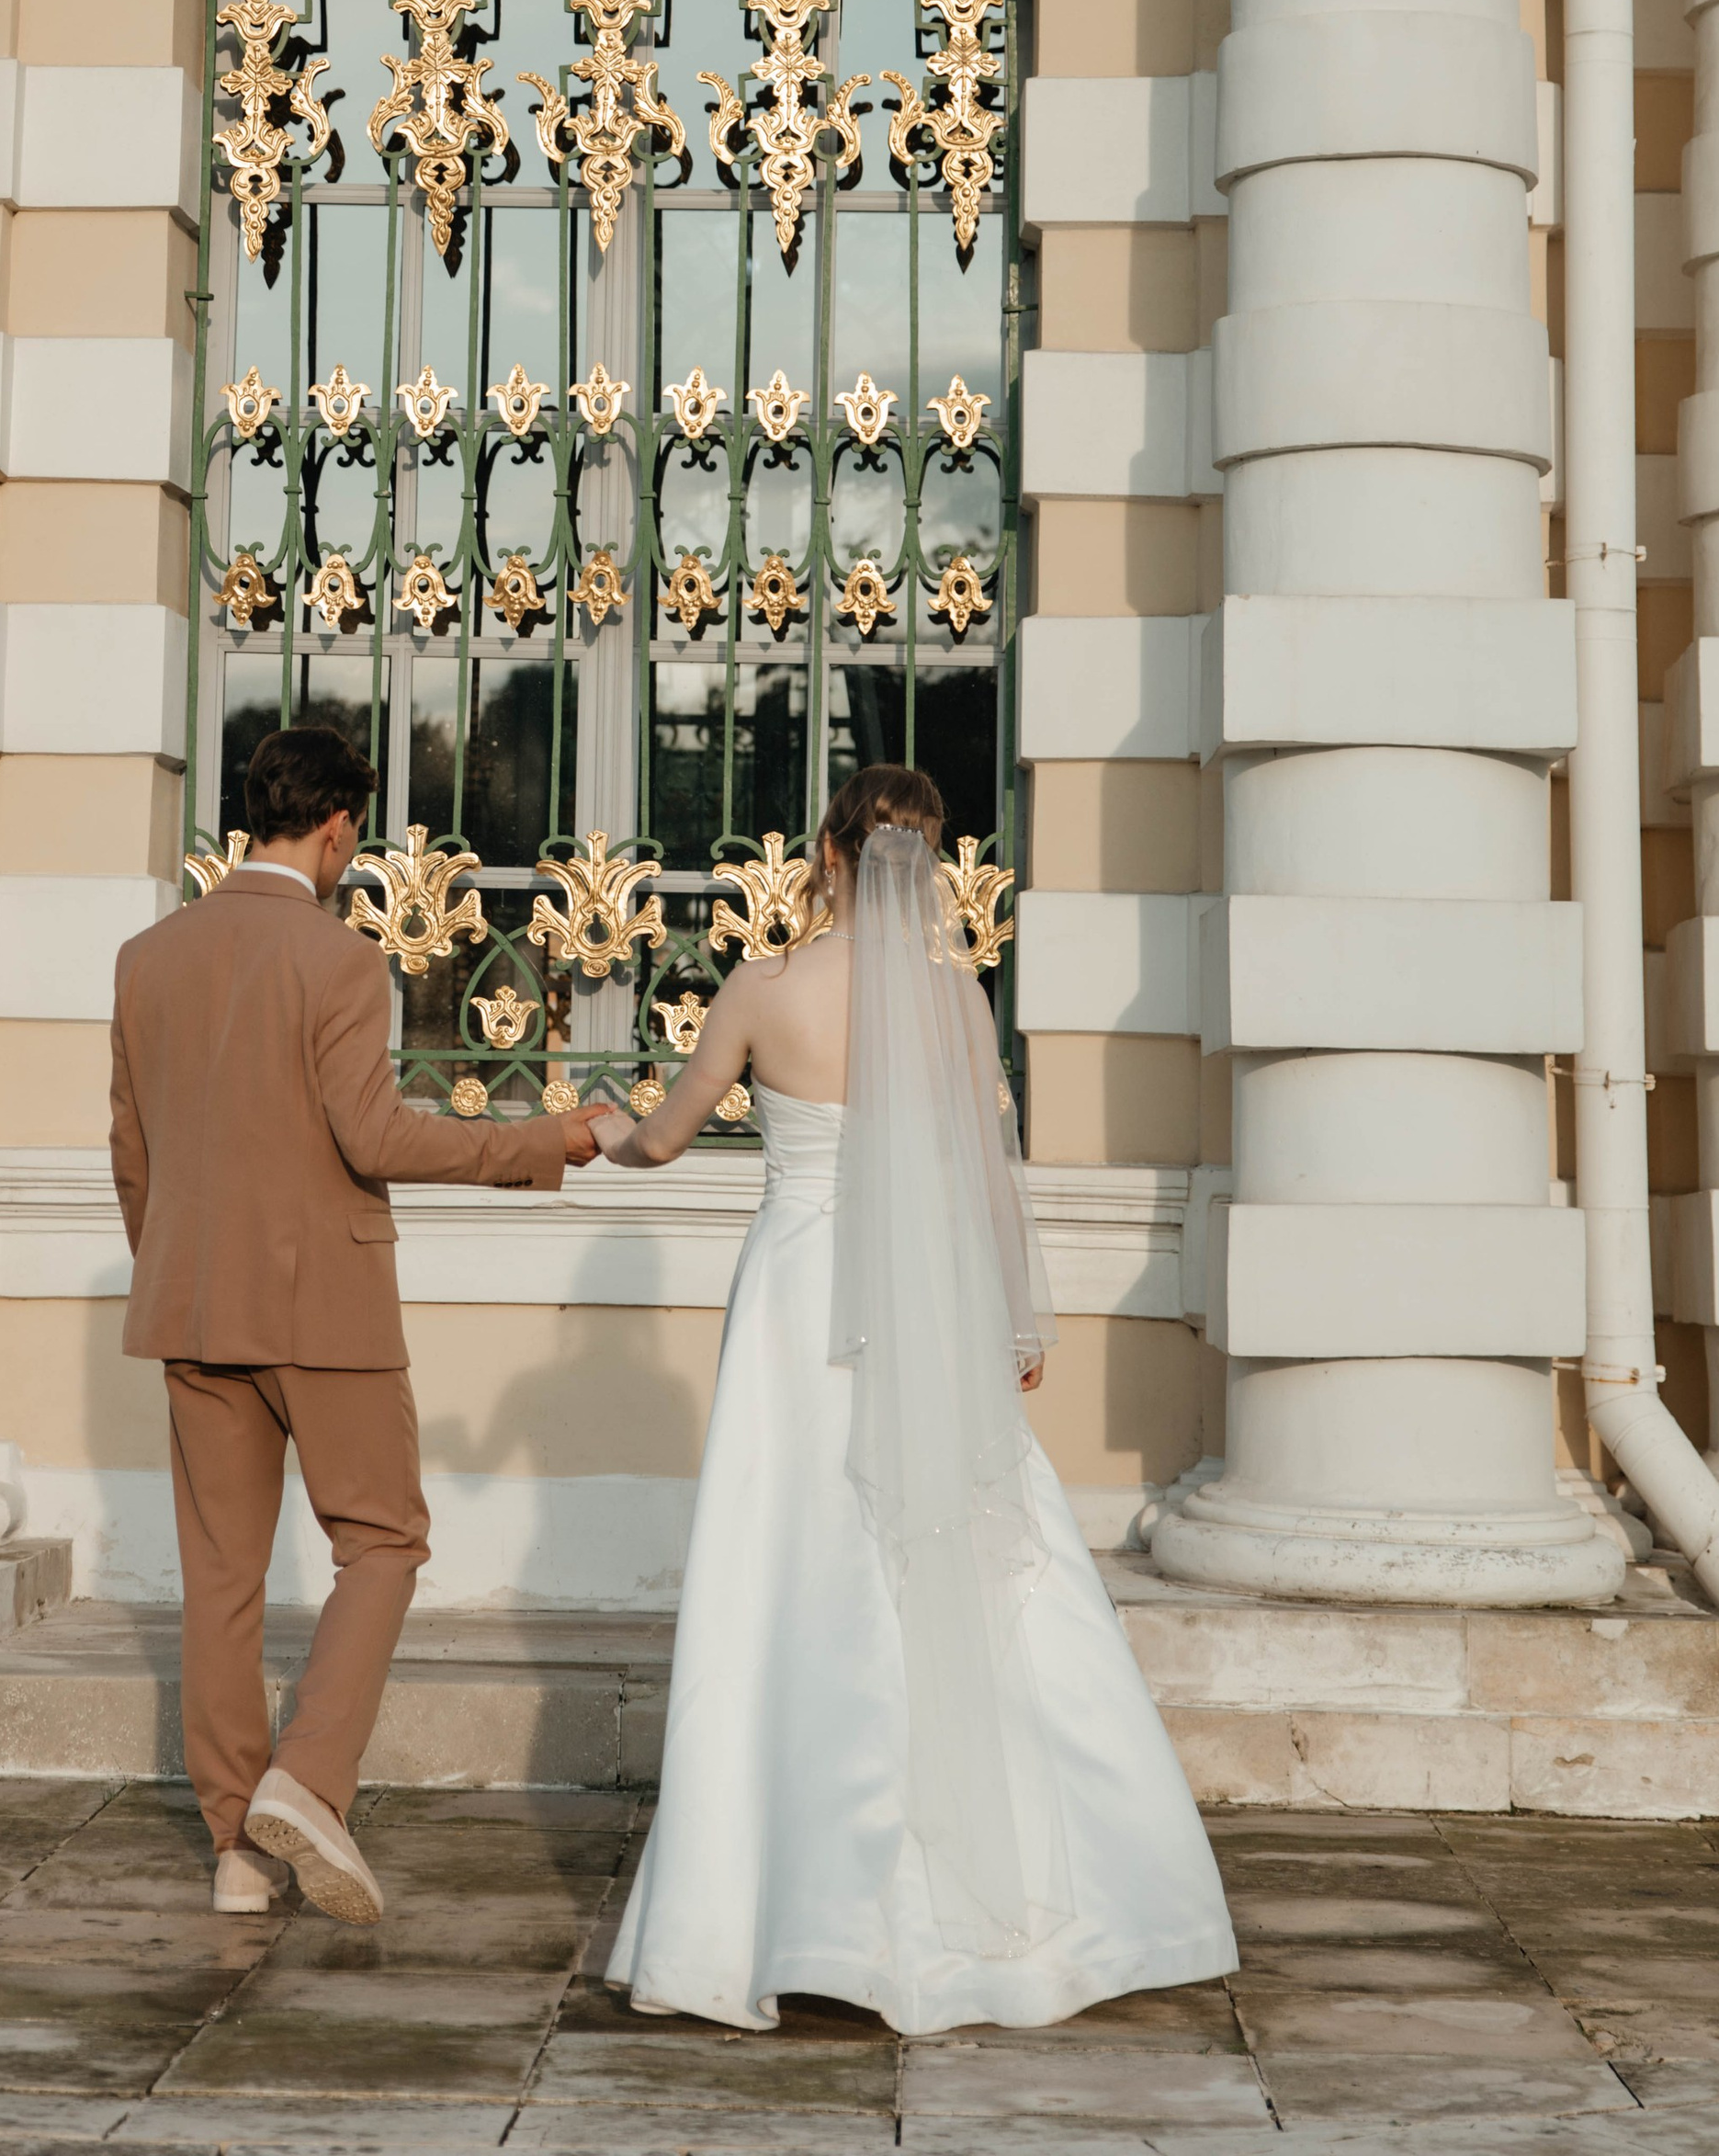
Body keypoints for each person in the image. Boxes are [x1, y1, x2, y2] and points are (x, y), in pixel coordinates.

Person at [595, 761, 1237, 2034]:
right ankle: (1065, 1903)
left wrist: (593, 1124)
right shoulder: (953, 998)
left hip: (796, 1301)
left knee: (791, 1569)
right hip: (924, 1304)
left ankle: (777, 1913)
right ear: (923, 867)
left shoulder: (763, 988)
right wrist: (1007, 1314)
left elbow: (662, 1140)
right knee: (957, 1560)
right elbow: (979, 1169)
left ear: (825, 860)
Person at [107, 723, 604, 1923]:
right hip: (325, 1301)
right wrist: (547, 1138)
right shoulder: (337, 961)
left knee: (220, 1579)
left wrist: (179, 1264)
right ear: (335, 827)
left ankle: (236, 1851)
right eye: (353, 838)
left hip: (188, 1296)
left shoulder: (146, 956)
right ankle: (309, 1780)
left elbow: (133, 1155)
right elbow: (376, 1139)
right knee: (383, 1540)